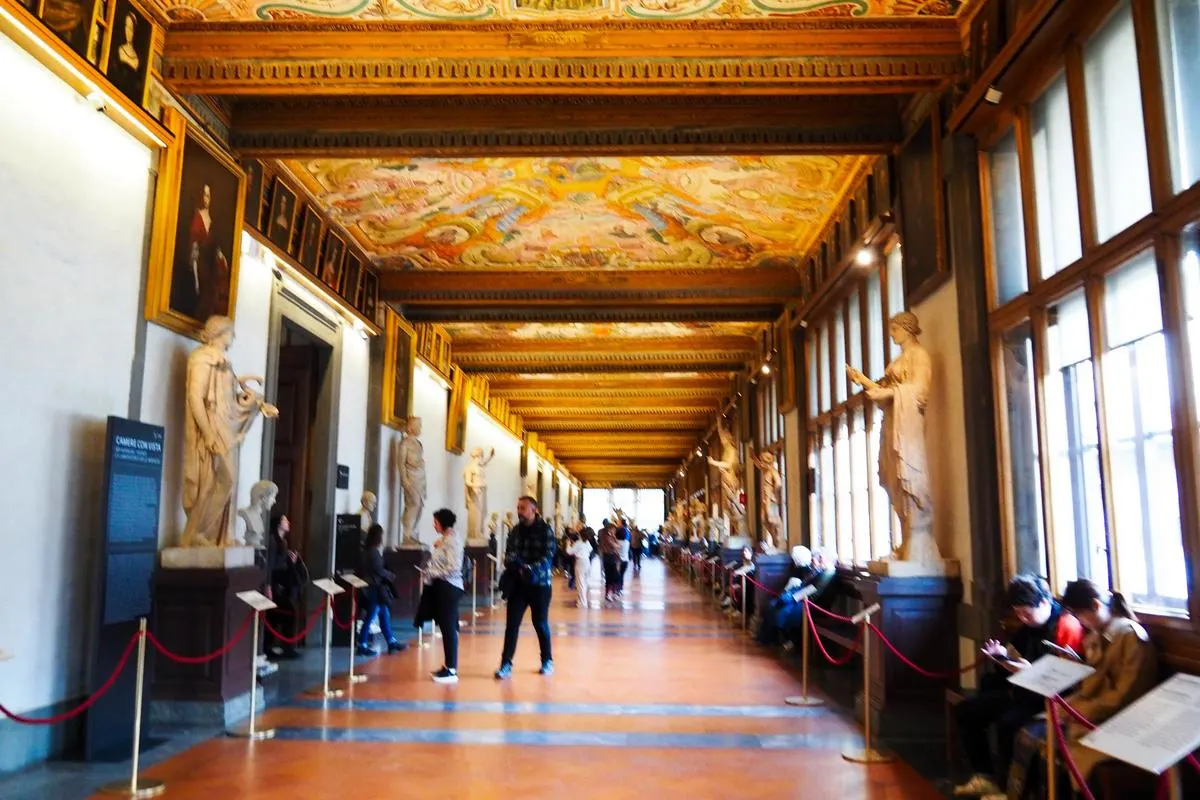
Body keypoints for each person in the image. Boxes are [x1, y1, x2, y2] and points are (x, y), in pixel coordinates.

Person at [953, 574, 1085, 797]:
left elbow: (1068, 676)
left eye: (1027, 613)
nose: (1022, 619)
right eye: (1018, 613)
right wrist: (1002, 657)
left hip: (1052, 700)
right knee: (967, 711)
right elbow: (1015, 654)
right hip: (1022, 692)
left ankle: (1009, 790)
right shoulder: (1030, 624)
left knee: (1009, 723)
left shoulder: (1066, 625)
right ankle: (984, 777)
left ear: (1044, 603)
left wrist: (1029, 669)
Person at [495, 497, 555, 679]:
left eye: (522, 508)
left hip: (540, 585)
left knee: (540, 623)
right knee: (512, 625)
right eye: (518, 508)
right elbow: (509, 554)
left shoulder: (545, 531)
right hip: (519, 585)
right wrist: (519, 566)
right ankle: (506, 664)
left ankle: (547, 660)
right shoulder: (515, 531)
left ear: (534, 510)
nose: (519, 511)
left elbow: (549, 556)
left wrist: (530, 568)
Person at [422, 509, 464, 684]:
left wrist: (432, 571)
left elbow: (454, 567)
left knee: (449, 628)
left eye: (435, 522)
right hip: (442, 586)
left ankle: (452, 669)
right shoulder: (445, 540)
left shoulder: (452, 541)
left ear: (443, 523)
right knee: (446, 628)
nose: (433, 525)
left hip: (449, 586)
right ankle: (448, 666)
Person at [358, 524, 407, 656]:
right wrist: (390, 575)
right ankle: (362, 644)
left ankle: (391, 641)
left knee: (384, 614)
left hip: (374, 586)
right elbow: (378, 569)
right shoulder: (373, 551)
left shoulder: (368, 550)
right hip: (374, 587)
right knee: (371, 616)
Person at [264, 514, 302, 660]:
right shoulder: (273, 541)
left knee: (276, 616)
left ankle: (273, 647)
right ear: (279, 523)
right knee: (284, 614)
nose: (288, 522)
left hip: (283, 582)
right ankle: (284, 647)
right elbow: (270, 564)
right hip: (276, 583)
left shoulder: (283, 541)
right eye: (285, 520)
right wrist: (268, 586)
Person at [567, 531, 592, 609]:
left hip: (580, 562)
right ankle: (582, 600)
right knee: (585, 582)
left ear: (580, 535)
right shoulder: (587, 542)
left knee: (580, 583)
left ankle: (582, 602)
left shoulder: (578, 543)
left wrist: (568, 544)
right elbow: (590, 550)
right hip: (587, 562)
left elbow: (569, 552)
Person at [599, 521, 620, 603]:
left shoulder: (611, 536)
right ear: (610, 529)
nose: (614, 531)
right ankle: (608, 594)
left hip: (612, 557)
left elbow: (618, 545)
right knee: (610, 577)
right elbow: (616, 545)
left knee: (614, 576)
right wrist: (616, 544)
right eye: (613, 529)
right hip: (608, 558)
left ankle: (612, 593)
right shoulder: (606, 537)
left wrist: (614, 537)